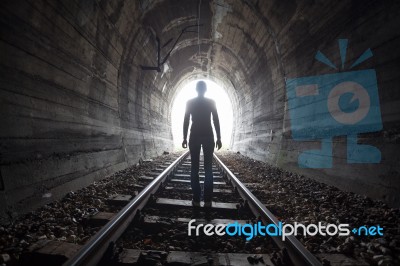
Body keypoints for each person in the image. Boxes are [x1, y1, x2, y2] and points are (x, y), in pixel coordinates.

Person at [182, 81, 222, 208]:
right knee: (208, 168)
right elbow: (216, 120)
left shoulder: (189, 102)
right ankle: (208, 200)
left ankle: (196, 198)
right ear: (205, 90)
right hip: (208, 136)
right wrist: (219, 137)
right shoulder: (211, 102)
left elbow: (186, 120)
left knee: (194, 168)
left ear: (196, 89)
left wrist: (184, 138)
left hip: (194, 136)